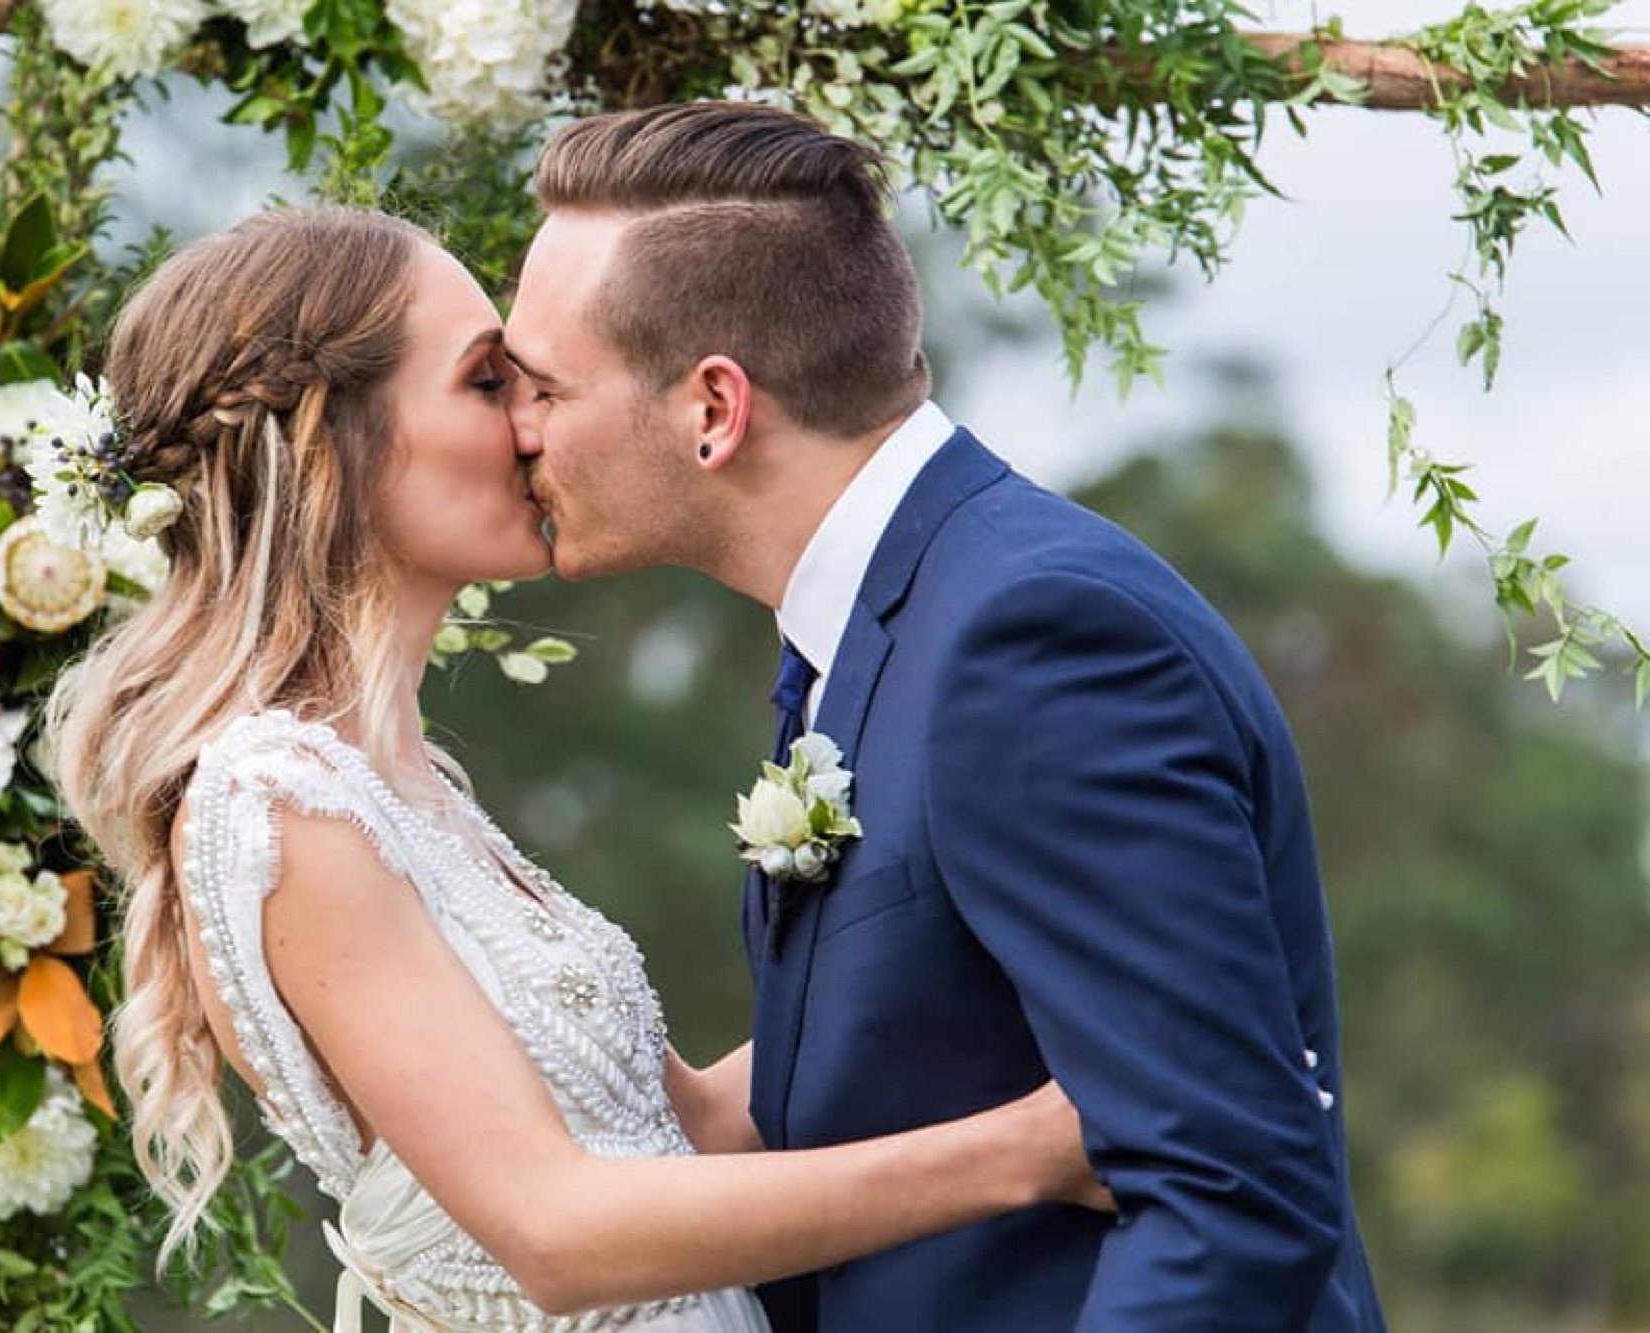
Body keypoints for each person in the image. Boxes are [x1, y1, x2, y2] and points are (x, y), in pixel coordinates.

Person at [46, 204, 1108, 1333]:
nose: (534, 424)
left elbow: (686, 1129)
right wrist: (1031, 1150)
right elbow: (556, 1231)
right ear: (331, 446)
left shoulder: (404, 790)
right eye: (486, 382)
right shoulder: (279, 804)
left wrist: (978, 934)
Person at [502, 101, 1388, 1330]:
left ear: (713, 408)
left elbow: (1230, 1193)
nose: (518, 430)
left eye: (542, 385)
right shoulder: (872, 629)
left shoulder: (1031, 639)